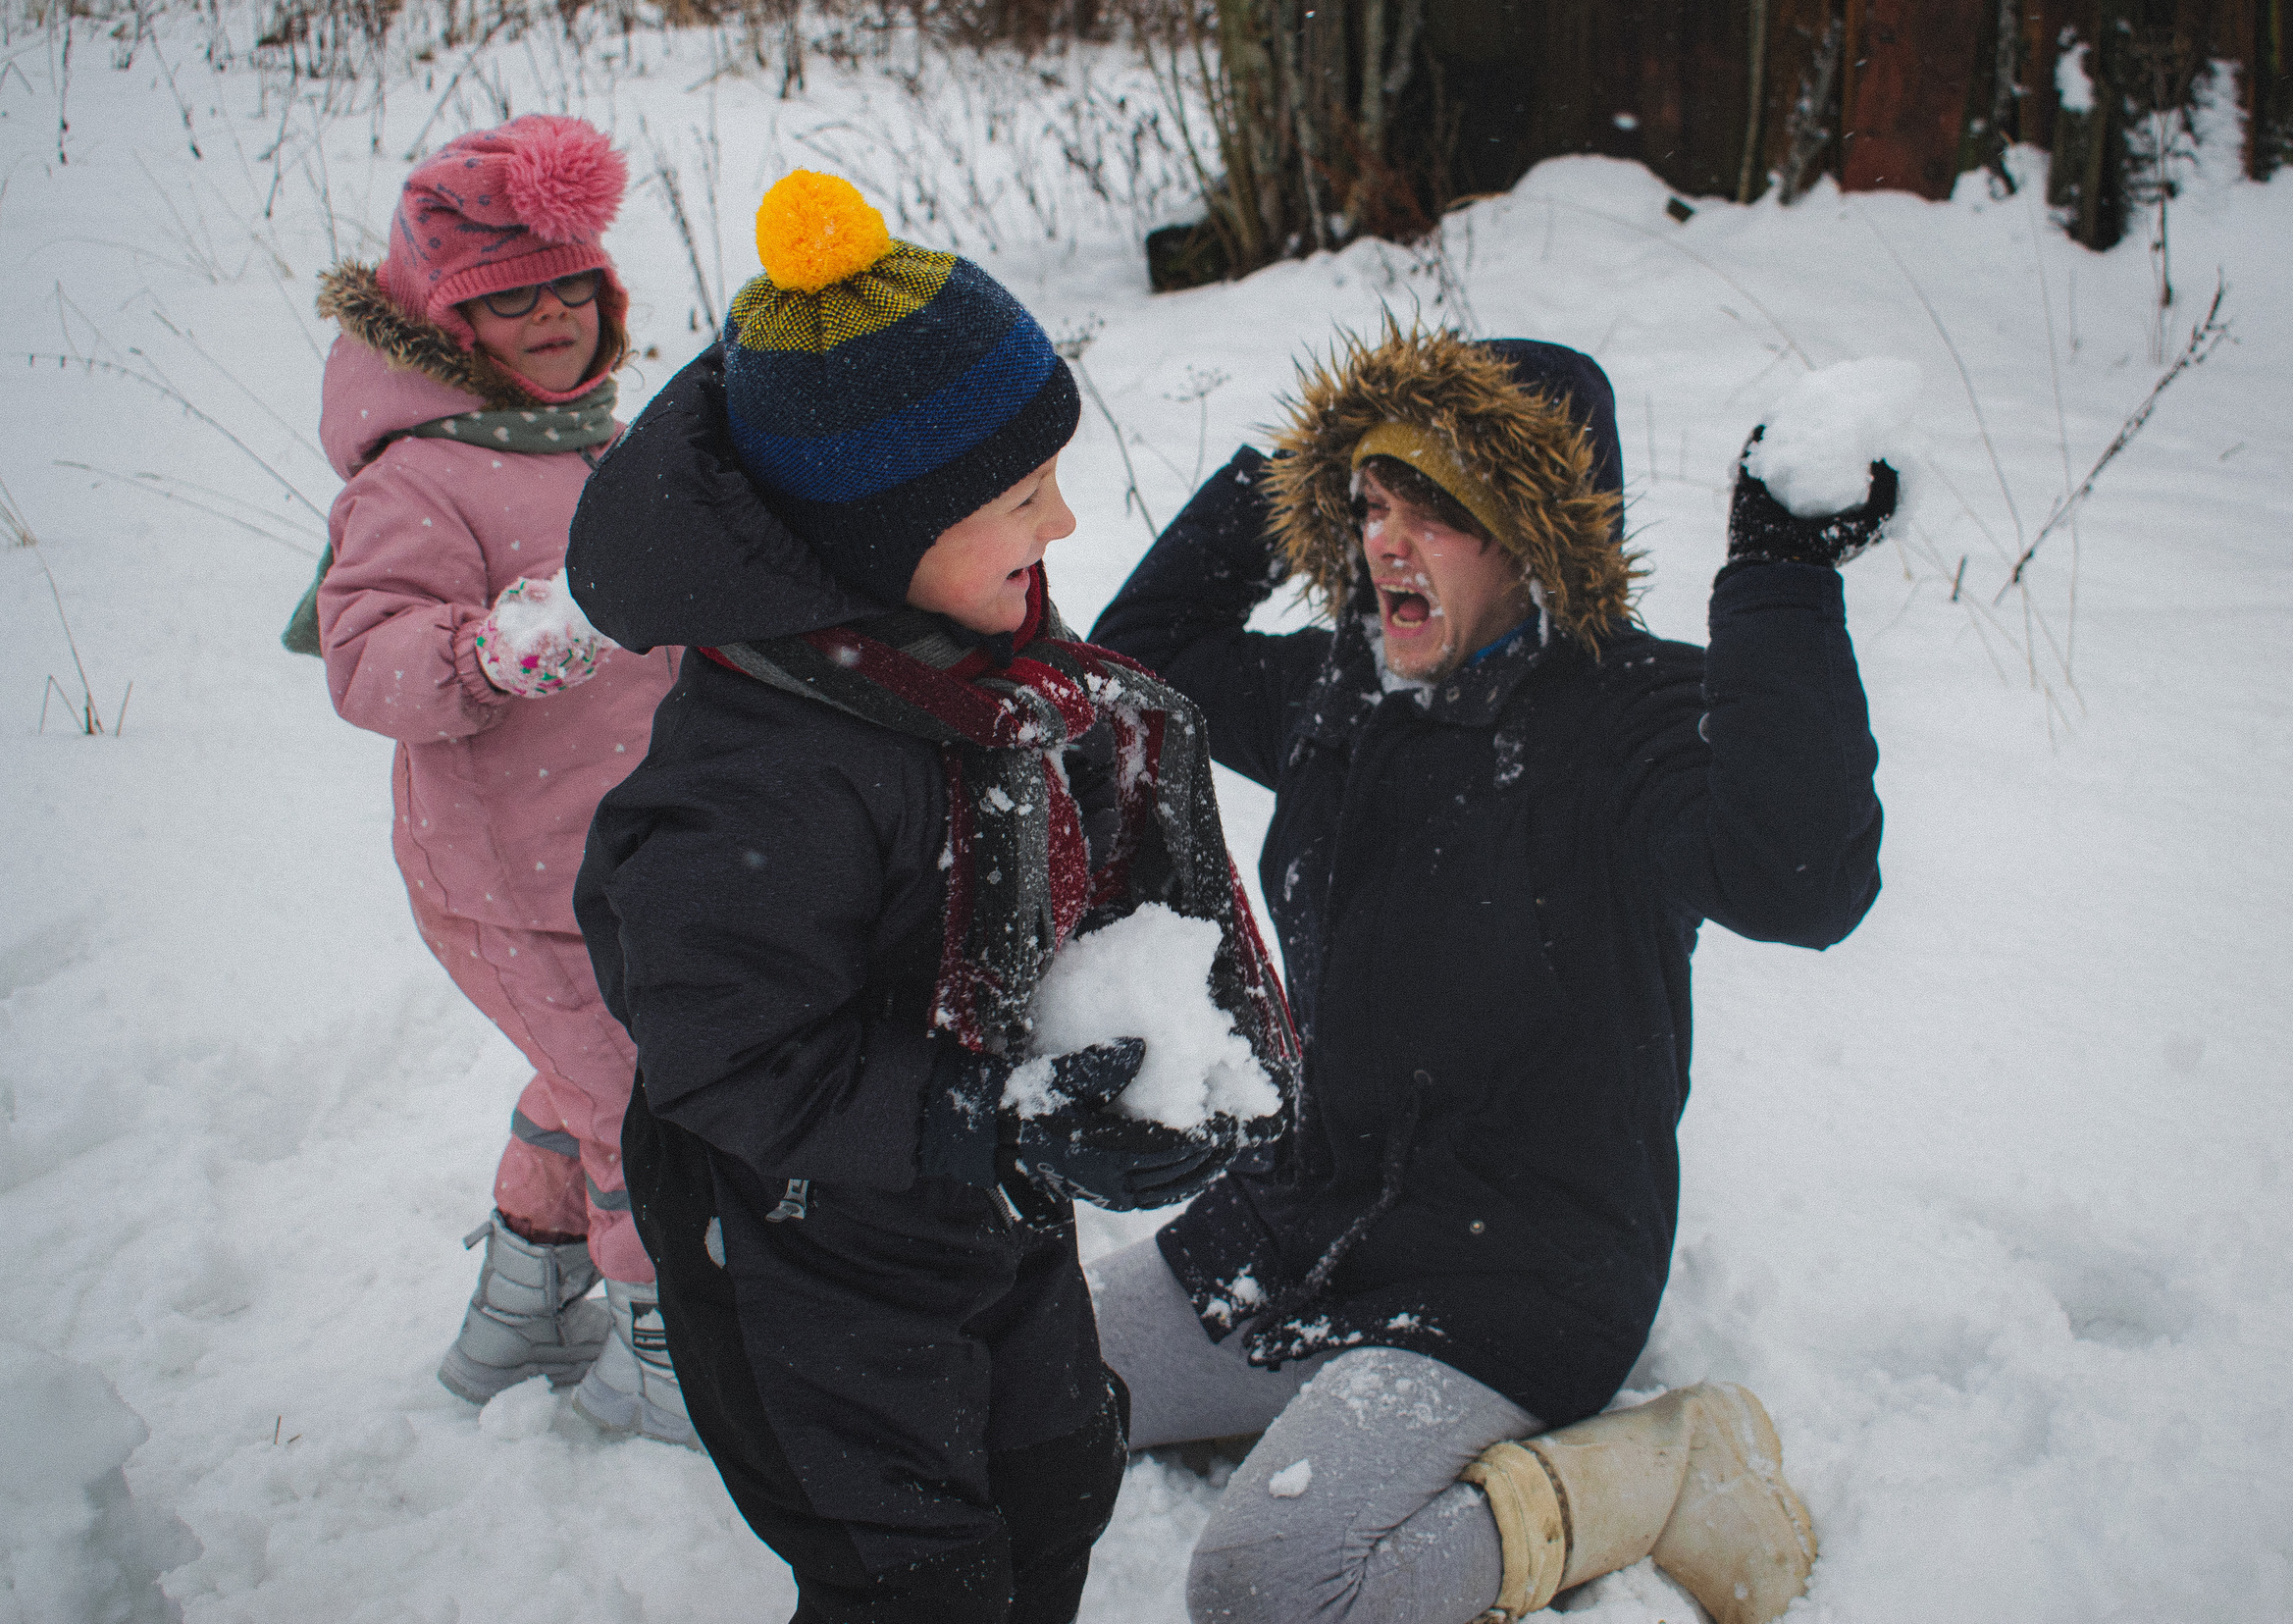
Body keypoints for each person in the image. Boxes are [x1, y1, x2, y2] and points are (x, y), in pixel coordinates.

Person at [564, 172, 1295, 1624]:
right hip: (804, 1269)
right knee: (918, 1581)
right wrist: (982, 1109)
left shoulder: (958, 658)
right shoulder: (760, 779)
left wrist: (1125, 1063)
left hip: (974, 1221)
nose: (1067, 517)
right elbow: (729, 1056)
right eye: (1021, 498)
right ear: (879, 540)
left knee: (1057, 1481)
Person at [1084, 325, 1894, 1624]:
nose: (1388, 543)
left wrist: (1782, 584)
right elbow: (1142, 661)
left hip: (1515, 1274)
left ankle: (1655, 1469)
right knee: (1009, 1377)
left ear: (1542, 537)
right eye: (1371, 503)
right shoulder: (1338, 690)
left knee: (1270, 1589)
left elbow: (1803, 882)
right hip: (1298, 1224)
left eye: (1441, 511)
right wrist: (1299, 468)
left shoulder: (1634, 724)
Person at [310, 114, 693, 1445]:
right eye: (506, 298)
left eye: (570, 286)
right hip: (513, 882)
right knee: (643, 1109)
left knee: (586, 1075)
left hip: (625, 858)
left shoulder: (590, 434)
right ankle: (666, 1366)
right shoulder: (418, 479)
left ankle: (522, 1314)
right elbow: (364, 662)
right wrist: (497, 648)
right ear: (446, 324)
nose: (550, 319)